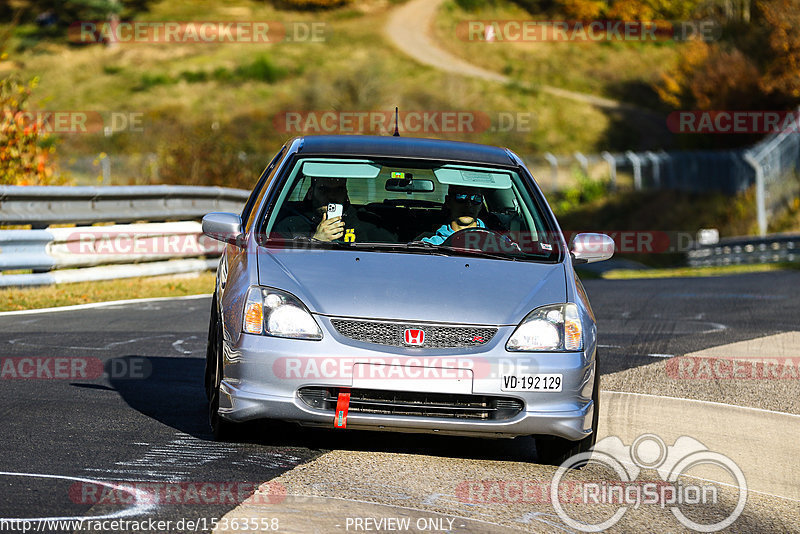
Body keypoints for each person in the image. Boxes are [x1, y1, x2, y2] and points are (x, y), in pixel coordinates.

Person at [273, 176, 395, 243]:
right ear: (310, 193)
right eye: (324, 190)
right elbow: (280, 262)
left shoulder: (365, 223)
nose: (331, 196)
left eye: (338, 190)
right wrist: (316, 240)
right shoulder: (291, 225)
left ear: (346, 194)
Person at [421, 185, 486, 245]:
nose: (468, 205)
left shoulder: (494, 242)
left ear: (481, 205)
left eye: (476, 198)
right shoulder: (431, 246)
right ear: (448, 201)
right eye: (461, 197)